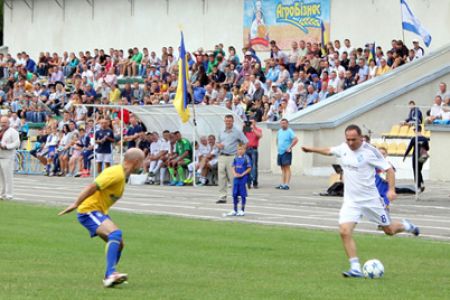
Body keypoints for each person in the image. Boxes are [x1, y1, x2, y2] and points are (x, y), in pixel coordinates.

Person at [302, 124, 420, 278]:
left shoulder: (370, 152)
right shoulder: (344, 148)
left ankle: (406, 226)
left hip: (371, 200)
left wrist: (391, 190)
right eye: (348, 139)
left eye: (354, 140)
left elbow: (389, 169)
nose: (350, 143)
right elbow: (329, 150)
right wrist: (311, 149)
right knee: (344, 231)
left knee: (389, 230)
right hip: (351, 202)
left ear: (361, 138)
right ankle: (355, 267)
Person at [58, 148, 145, 287]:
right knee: (115, 234)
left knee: (119, 244)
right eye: (142, 161)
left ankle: (109, 277)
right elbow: (93, 186)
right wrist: (76, 203)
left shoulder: (121, 176)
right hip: (89, 211)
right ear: (136, 162)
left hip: (98, 211)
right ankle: (111, 274)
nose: (143, 165)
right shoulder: (116, 173)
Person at [216, 115, 248, 203]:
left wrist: (241, 152)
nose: (228, 122)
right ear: (224, 121)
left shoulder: (237, 132)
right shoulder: (221, 131)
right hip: (222, 155)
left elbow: (245, 142)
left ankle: (236, 195)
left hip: (232, 156)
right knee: (221, 177)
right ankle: (222, 196)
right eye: (226, 121)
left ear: (232, 121)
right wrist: (218, 145)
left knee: (233, 177)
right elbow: (217, 142)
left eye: (229, 121)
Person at [225, 144, 251, 217]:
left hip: (243, 178)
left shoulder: (246, 158)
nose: (240, 151)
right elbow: (233, 167)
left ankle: (242, 210)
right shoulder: (235, 158)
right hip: (236, 178)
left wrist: (243, 174)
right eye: (239, 149)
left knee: (243, 194)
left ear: (244, 150)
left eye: (241, 149)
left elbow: (249, 168)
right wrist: (234, 173)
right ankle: (235, 209)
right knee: (235, 193)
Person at [403, 125, 429, 192]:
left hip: (416, 156)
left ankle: (418, 186)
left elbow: (409, 148)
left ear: (416, 130)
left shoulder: (414, 139)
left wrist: (405, 156)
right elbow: (428, 148)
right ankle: (421, 183)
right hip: (423, 156)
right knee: (419, 170)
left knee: (416, 170)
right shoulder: (425, 139)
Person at [0, 116, 20, 200]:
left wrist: (6, 146)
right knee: (1, 177)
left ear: (8, 123)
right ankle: (2, 193)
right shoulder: (1, 131)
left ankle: (9, 194)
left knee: (8, 176)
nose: (3, 124)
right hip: (0, 155)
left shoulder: (13, 132)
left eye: (5, 122)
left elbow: (17, 143)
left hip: (7, 156)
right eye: (2, 122)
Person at [276, 118, 298, 190]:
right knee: (282, 168)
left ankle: (286, 184)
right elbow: (277, 140)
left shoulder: (289, 131)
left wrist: (290, 147)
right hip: (280, 152)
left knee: (287, 168)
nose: (283, 124)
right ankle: (282, 184)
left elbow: (296, 139)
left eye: (284, 123)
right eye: (282, 123)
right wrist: (278, 147)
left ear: (287, 124)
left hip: (286, 152)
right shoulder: (279, 131)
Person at [244, 116, 262, 188]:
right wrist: (244, 127)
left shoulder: (258, 129)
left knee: (254, 166)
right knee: (247, 166)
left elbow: (259, 136)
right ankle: (248, 181)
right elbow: (241, 135)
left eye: (252, 122)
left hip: (254, 149)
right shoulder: (247, 129)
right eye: (250, 121)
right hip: (246, 149)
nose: (251, 123)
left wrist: (253, 129)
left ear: (255, 122)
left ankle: (255, 182)